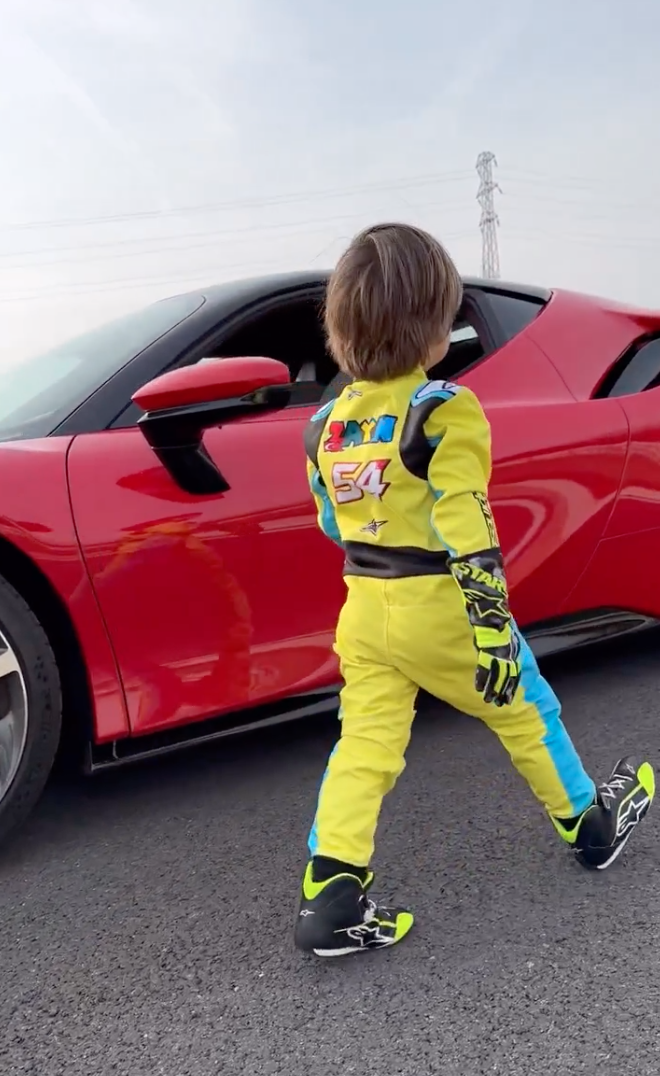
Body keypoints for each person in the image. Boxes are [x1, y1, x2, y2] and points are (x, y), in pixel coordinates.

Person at [294, 223, 655, 959]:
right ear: (437, 327)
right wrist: (493, 633)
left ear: (340, 329)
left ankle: (331, 893)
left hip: (364, 609)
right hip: (445, 607)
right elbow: (468, 523)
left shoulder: (324, 428)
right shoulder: (443, 408)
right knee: (527, 712)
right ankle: (590, 826)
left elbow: (334, 523)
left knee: (364, 747)